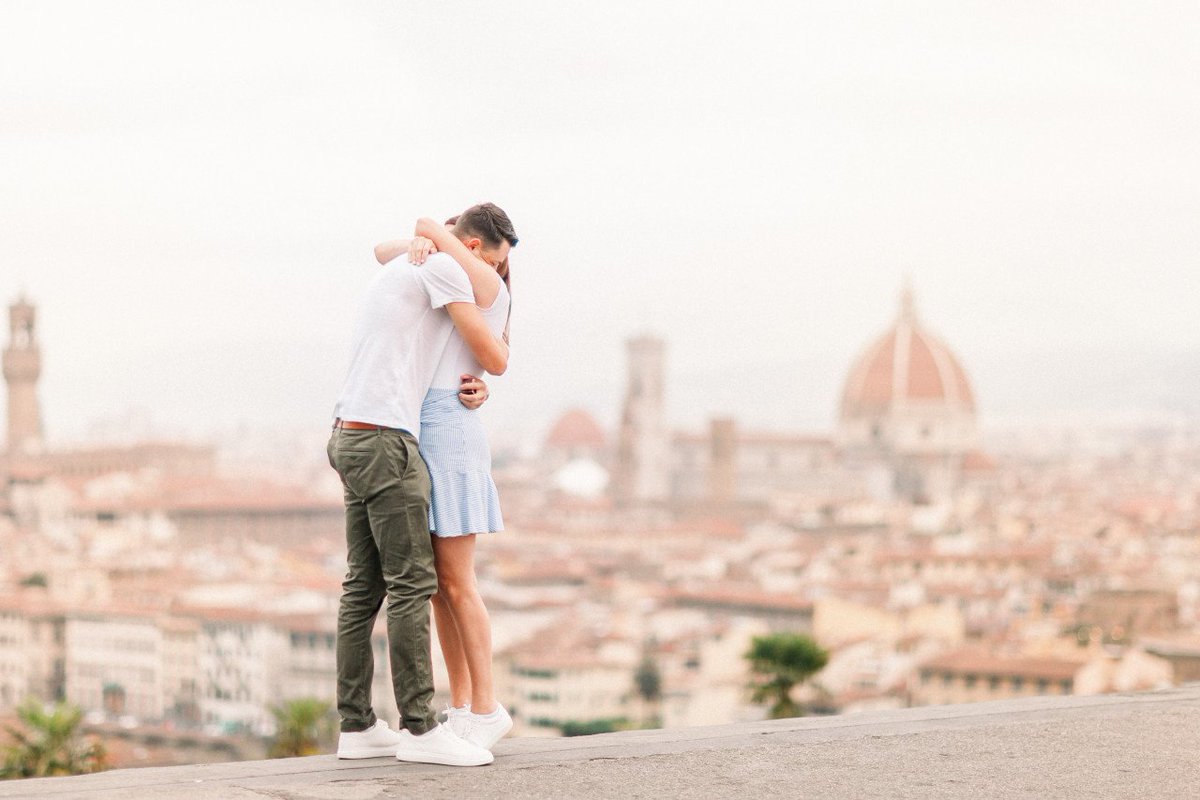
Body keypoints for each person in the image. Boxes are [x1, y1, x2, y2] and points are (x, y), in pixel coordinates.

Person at [328, 202, 515, 767]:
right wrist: (430, 237)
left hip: (360, 431)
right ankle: (425, 725)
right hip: (393, 435)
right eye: (494, 261)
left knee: (381, 587)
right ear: (474, 247)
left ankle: (375, 724)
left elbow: (493, 357)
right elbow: (390, 250)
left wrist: (430, 231)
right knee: (419, 586)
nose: (496, 274)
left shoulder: (436, 268)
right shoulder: (443, 268)